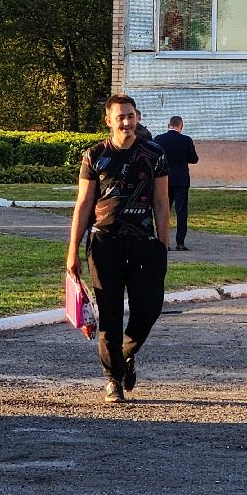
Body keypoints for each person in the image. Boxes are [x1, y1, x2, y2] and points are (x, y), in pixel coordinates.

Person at [65, 93, 171, 404]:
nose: (126, 121)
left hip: (144, 244)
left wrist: (163, 243)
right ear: (108, 121)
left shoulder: (154, 154)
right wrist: (72, 251)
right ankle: (113, 379)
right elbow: (83, 204)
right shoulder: (94, 156)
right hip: (104, 243)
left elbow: (162, 202)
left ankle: (125, 354)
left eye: (130, 115)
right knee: (109, 315)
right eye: (120, 117)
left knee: (148, 309)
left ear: (137, 116)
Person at [155, 115, 199, 251]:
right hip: (181, 179)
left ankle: (164, 242)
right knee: (181, 212)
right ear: (181, 126)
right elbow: (194, 159)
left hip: (163, 179)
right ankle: (180, 242)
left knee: (163, 210)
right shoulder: (186, 140)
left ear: (169, 125)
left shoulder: (159, 139)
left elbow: (153, 157)